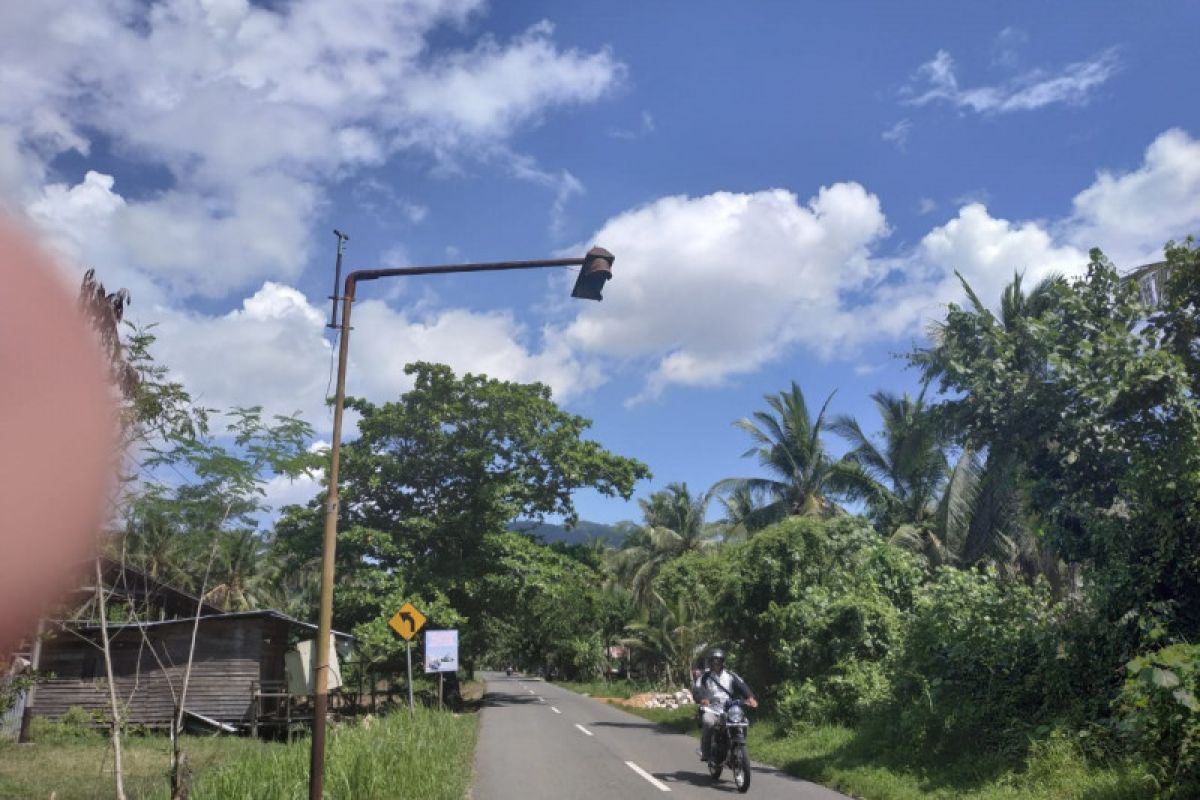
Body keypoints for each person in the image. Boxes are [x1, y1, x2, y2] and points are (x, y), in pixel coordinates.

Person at [693, 649, 757, 762]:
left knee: (743, 721)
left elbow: (742, 686)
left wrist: (750, 698)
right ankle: (705, 752)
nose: (716, 663)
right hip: (712, 709)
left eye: (719, 661)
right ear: (710, 662)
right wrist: (702, 699)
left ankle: (738, 747)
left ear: (723, 662)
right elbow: (697, 690)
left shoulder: (730, 676)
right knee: (708, 722)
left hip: (729, 708)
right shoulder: (704, 677)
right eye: (714, 661)